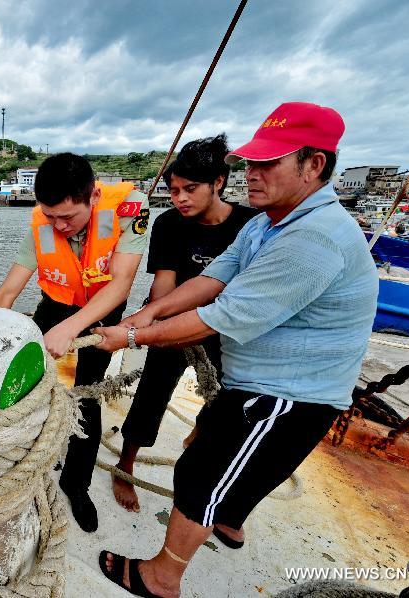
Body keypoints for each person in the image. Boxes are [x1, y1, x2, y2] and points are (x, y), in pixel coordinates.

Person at [92, 102, 378, 597]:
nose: (253, 174)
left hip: (287, 391)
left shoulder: (312, 238)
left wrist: (132, 336)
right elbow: (213, 277)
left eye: (269, 163)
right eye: (251, 162)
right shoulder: (269, 221)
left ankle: (162, 577)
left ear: (315, 166)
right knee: (245, 465)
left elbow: (220, 317)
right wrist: (149, 314)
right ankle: (226, 522)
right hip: (264, 376)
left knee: (200, 471)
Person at [0, 152, 148, 532]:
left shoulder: (128, 213)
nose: (58, 226)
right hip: (55, 306)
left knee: (86, 399)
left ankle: (76, 483)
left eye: (68, 217)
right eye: (50, 216)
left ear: (93, 196)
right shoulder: (42, 222)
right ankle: (25, 462)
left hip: (100, 312)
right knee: (26, 387)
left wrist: (73, 328)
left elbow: (121, 283)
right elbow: (9, 289)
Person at [112, 134, 256, 523]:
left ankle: (202, 444)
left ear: (219, 182)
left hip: (227, 328)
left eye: (190, 189)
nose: (180, 198)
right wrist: (155, 322)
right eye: (174, 190)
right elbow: (164, 284)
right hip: (175, 323)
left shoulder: (250, 226)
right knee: (152, 392)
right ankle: (126, 463)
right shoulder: (169, 224)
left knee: (228, 402)